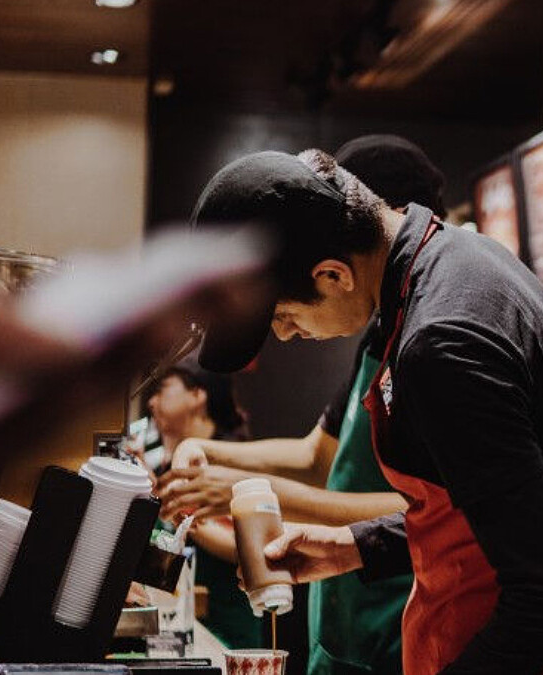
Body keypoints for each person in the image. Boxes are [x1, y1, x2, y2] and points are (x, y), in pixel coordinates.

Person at [190, 150, 543, 675]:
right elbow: (494, 516)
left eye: (285, 317)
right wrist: (353, 546)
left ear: (334, 275)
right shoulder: (456, 262)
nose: (288, 336)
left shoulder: (442, 340)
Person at [159, 135, 446, 675]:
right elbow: (319, 456)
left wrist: (252, 495)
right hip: (343, 618)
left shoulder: (434, 340)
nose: (285, 335)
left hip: (399, 616)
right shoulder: (377, 336)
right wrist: (208, 452)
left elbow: (434, 515)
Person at [142, 362, 266, 649]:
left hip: (230, 629)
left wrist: (174, 508)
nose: (151, 402)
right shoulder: (166, 465)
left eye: (162, 391)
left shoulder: (231, 459)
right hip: (183, 625)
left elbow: (247, 545)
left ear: (198, 395)